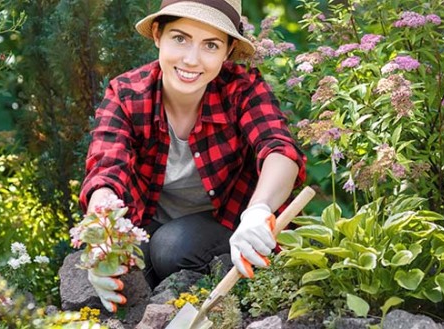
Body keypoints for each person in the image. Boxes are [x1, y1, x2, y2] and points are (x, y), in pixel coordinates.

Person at [78, 0, 306, 313]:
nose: (191, 59)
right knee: (132, 258)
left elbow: (279, 150)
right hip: (149, 223)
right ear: (158, 34)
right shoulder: (127, 93)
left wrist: (260, 210)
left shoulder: (242, 89)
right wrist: (101, 236)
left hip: (226, 224)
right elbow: (106, 171)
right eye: (180, 38)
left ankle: (233, 291)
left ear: (227, 52)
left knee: (171, 247)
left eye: (210, 45)